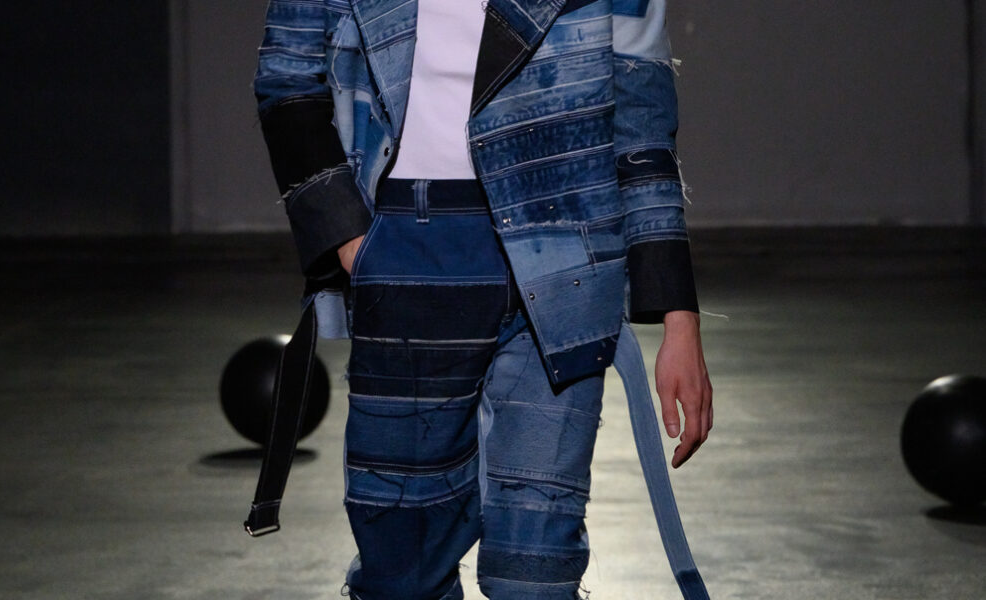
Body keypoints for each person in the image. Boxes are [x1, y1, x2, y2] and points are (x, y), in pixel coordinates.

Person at [250, 0, 713, 598]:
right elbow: (287, 74)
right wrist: (352, 242)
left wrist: (679, 317)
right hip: (408, 255)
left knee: (536, 571)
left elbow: (642, 116)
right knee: (404, 571)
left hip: (566, 260)